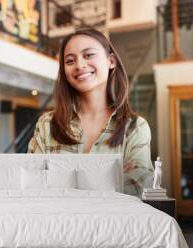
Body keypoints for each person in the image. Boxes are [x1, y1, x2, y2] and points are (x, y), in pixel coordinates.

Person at [27, 27, 153, 196]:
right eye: (70, 61)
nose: (79, 65)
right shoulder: (47, 124)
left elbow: (139, 188)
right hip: (58, 221)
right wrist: (112, 177)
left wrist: (62, 180)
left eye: (88, 55)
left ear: (111, 61)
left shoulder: (135, 127)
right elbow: (32, 184)